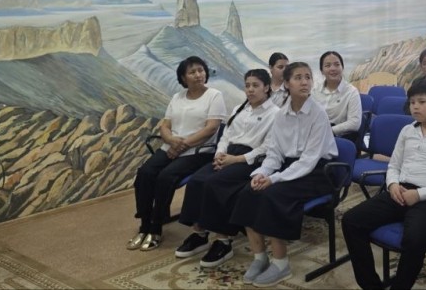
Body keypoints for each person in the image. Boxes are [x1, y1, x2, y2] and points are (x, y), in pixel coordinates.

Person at [341, 79, 426, 290]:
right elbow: (393, 165)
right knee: (351, 221)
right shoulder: (407, 130)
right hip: (399, 190)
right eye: (412, 102)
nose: (415, 107)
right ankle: (371, 285)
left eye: (422, 102)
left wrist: (419, 195)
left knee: (415, 239)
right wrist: (392, 185)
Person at [229, 62, 338, 287]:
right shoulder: (281, 115)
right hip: (290, 167)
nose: (305, 82)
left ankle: (281, 263)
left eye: (308, 77)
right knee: (248, 191)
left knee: (272, 195)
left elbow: (308, 160)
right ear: (286, 84)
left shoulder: (318, 114)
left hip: (318, 171)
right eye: (298, 77)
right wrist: (261, 173)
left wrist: (274, 179)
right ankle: (260, 257)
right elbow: (275, 153)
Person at [173, 69, 281, 267]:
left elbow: (267, 147)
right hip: (228, 154)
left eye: (255, 85)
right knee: (197, 180)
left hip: (251, 160)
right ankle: (199, 234)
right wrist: (219, 155)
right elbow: (226, 136)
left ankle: (223, 241)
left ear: (266, 87)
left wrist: (236, 159)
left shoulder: (275, 114)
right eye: (247, 85)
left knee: (215, 183)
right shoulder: (240, 109)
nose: (250, 89)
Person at [128, 56, 226, 251]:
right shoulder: (177, 97)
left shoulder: (214, 96)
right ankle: (144, 224)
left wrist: (182, 145)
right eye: (192, 72)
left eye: (201, 70)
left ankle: (156, 227)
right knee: (145, 173)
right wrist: (171, 140)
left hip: (199, 151)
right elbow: (165, 125)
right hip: (172, 146)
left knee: (166, 176)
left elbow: (211, 128)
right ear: (183, 77)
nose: (198, 75)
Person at [312, 51, 362, 145]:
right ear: (321, 70)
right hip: (315, 136)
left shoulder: (351, 92)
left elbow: (354, 123)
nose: (333, 68)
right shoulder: (314, 90)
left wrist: (329, 131)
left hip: (338, 138)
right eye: (327, 65)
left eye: (337, 64)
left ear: (342, 68)